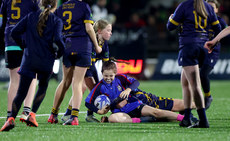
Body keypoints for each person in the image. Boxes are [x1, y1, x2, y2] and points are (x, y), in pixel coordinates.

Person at [0, 0, 65, 132]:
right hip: (44, 57)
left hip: (21, 51)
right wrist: (60, 53)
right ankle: (29, 113)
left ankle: (10, 117)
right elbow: (58, 39)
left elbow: (9, 28)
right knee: (40, 86)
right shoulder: (54, 19)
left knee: (17, 86)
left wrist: (22, 43)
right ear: (55, 5)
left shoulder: (26, 13)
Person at [167, 0, 221, 128]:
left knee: (195, 85)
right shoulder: (207, 6)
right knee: (185, 83)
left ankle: (203, 120)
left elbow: (170, 26)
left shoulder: (185, 5)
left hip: (188, 46)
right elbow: (217, 28)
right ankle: (186, 118)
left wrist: (171, 19)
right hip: (202, 47)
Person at [48, 0, 102, 126]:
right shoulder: (84, 6)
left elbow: (52, 27)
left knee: (65, 82)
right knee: (77, 83)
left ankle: (53, 114)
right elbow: (89, 28)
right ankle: (74, 117)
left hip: (67, 45)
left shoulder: (61, 8)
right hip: (83, 46)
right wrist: (97, 46)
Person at [85, 61, 186, 124]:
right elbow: (87, 102)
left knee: (156, 112)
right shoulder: (99, 87)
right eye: (105, 75)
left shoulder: (120, 78)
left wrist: (128, 89)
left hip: (133, 104)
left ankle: (184, 118)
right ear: (102, 73)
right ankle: (143, 120)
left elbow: (136, 82)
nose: (108, 78)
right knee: (112, 118)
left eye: (111, 76)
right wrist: (99, 111)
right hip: (119, 111)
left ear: (115, 74)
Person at [60, 19, 112, 123]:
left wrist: (109, 77)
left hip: (90, 66)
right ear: (99, 31)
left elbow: (105, 65)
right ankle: (79, 114)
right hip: (82, 65)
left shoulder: (104, 44)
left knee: (91, 88)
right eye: (108, 30)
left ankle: (71, 114)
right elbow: (89, 64)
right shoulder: (90, 41)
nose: (110, 33)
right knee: (89, 88)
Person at [0, 0, 39, 122]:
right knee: (32, 76)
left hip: (10, 40)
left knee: (14, 80)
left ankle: (10, 115)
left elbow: (2, 22)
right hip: (27, 41)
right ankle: (26, 112)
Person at [200, 0, 228, 110]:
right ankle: (191, 103)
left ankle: (208, 96)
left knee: (203, 74)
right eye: (207, 7)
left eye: (212, 7)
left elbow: (227, 31)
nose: (209, 10)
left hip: (212, 53)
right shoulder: (199, 20)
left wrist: (215, 41)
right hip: (199, 51)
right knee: (192, 77)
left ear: (217, 9)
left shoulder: (220, 22)